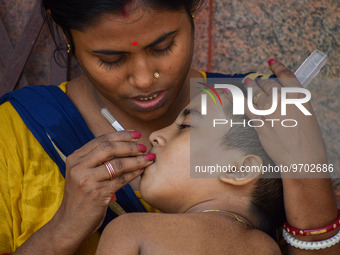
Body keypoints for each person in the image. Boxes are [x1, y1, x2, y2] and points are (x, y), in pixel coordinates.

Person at [0, 0, 338, 254]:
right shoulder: (16, 133)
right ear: (67, 36)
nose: (145, 79)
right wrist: (61, 231)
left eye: (163, 46)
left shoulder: (271, 121)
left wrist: (306, 174)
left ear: (192, 16)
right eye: (111, 59)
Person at [96, 89, 286, 254]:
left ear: (240, 169)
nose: (155, 136)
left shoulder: (131, 230)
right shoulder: (268, 248)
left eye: (186, 125)